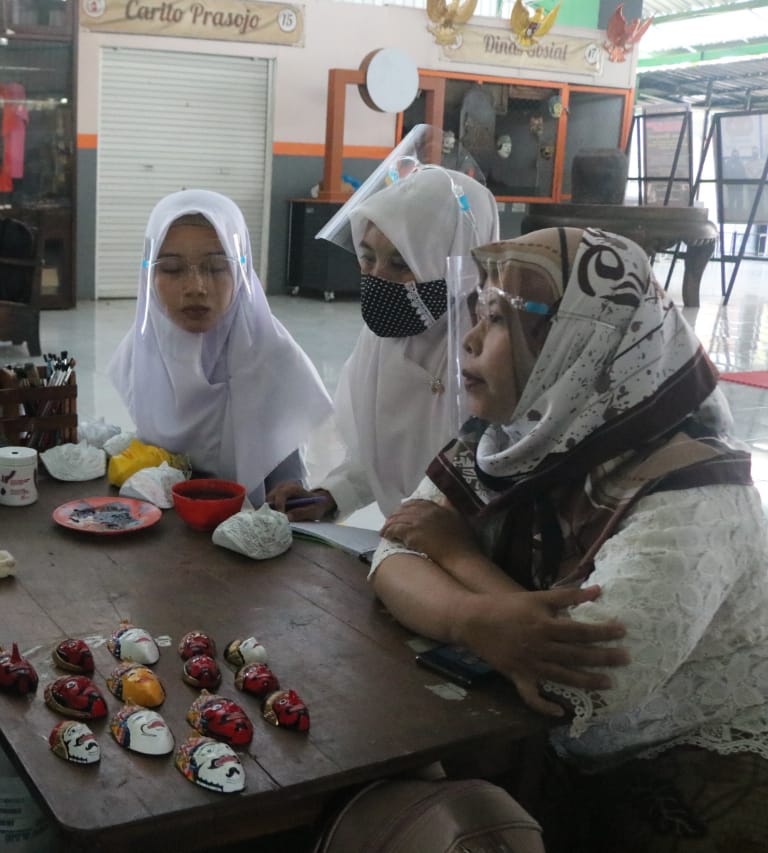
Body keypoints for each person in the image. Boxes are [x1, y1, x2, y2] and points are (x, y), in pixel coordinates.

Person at [371, 226, 767, 851]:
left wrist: (455, 556)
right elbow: (393, 550)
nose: (470, 338)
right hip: (550, 747)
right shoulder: (507, 439)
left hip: (684, 759)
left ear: (584, 345)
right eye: (480, 310)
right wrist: (475, 619)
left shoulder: (694, 491)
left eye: (499, 320)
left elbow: (573, 676)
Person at [268, 147, 499, 522]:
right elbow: (374, 454)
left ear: (455, 261)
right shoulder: (380, 345)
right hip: (407, 540)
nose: (377, 278)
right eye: (367, 258)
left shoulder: (493, 351)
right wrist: (329, 494)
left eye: (400, 263)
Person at [108, 189, 333, 507]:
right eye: (172, 269)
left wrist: (289, 499)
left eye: (215, 268)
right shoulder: (138, 356)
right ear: (149, 274)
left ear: (241, 271)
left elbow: (288, 493)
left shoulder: (273, 360)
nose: (196, 288)